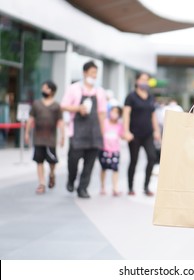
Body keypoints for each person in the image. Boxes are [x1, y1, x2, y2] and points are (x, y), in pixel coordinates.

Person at [61, 61, 107, 198]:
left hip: (94, 132)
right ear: (84, 72)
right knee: (73, 159)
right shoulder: (74, 88)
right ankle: (71, 179)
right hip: (77, 132)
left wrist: (102, 131)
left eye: (96, 73)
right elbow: (63, 105)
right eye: (92, 72)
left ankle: (83, 188)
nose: (94, 75)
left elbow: (102, 112)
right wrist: (78, 108)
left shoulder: (99, 91)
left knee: (90, 162)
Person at [122, 72, 161, 196]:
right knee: (134, 160)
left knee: (152, 157)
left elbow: (153, 115)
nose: (144, 82)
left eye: (146, 80)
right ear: (137, 81)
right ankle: (130, 187)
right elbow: (126, 114)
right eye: (142, 79)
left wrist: (156, 131)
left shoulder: (150, 97)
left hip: (148, 133)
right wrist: (126, 131)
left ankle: (146, 186)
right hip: (134, 134)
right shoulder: (131, 97)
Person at [24, 80, 64, 194]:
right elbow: (31, 119)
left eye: (46, 88)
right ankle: (42, 183)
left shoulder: (56, 106)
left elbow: (60, 122)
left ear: (51, 90)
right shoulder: (36, 104)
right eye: (43, 88)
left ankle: (52, 174)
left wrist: (63, 137)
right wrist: (26, 133)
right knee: (39, 161)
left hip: (51, 139)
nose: (43, 90)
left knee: (52, 161)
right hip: (38, 138)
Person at [98, 106, 124, 196]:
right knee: (103, 168)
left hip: (115, 150)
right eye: (113, 111)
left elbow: (122, 136)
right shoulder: (104, 122)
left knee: (115, 169)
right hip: (104, 149)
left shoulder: (120, 125)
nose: (114, 114)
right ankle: (102, 187)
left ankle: (115, 188)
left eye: (116, 112)